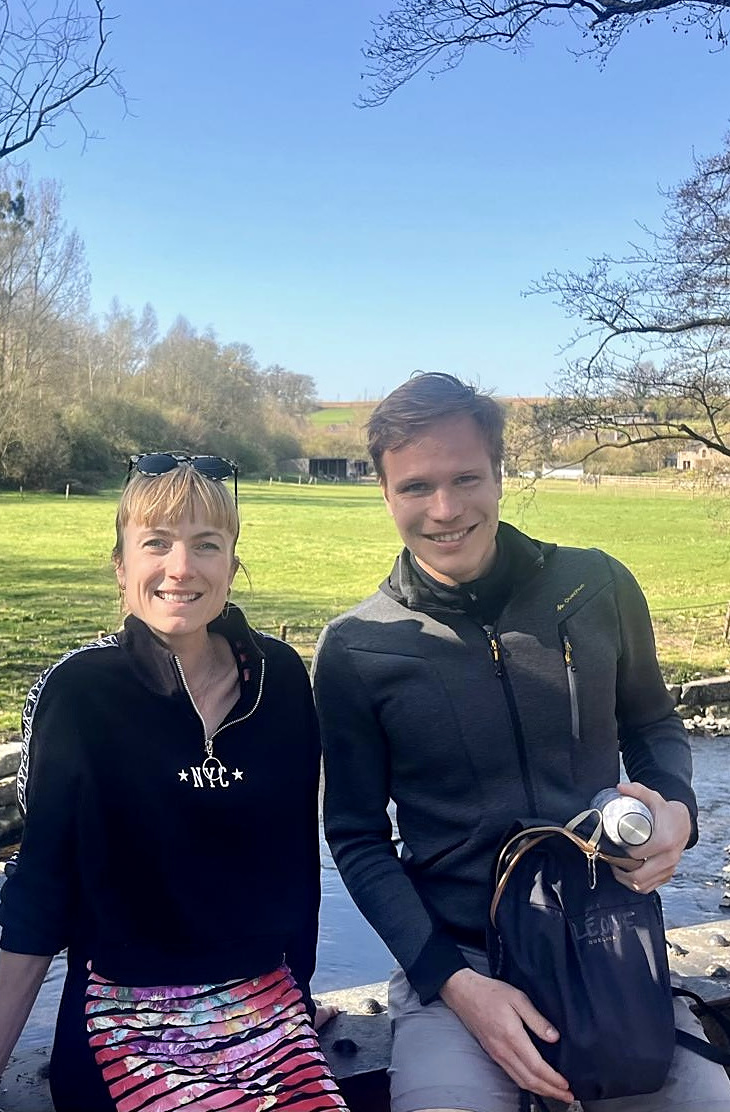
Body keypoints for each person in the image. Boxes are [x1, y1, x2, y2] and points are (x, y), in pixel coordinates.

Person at [312, 374, 730, 1112]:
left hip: (606, 945)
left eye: (466, 478)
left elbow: (654, 726)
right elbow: (356, 837)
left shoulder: (596, 586)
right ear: (383, 493)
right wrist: (456, 984)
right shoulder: (356, 649)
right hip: (457, 964)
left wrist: (676, 810)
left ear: (501, 474)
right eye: (416, 487)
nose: (445, 510)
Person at [0, 453, 346, 1112]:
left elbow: (294, 864)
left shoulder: (280, 678)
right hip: (121, 1008)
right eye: (156, 543)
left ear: (231, 562)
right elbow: (41, 885)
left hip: (262, 1001)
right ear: (121, 566)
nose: (181, 567)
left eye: (206, 545)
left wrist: (297, 996)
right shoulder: (80, 691)